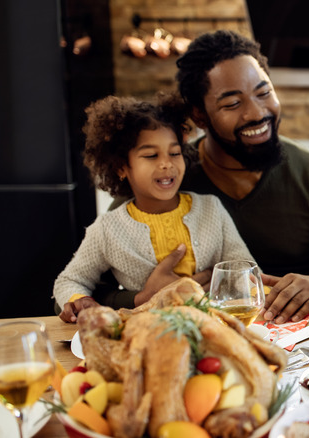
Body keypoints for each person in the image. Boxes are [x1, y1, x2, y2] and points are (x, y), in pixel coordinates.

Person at [97, 30, 309, 323]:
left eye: (264, 92)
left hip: (303, 351)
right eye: (232, 104)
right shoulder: (165, 177)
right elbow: (87, 291)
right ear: (199, 115)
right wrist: (143, 297)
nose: (256, 113)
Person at [54, 94, 253, 322]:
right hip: (147, 332)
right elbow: (69, 280)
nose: (166, 163)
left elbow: (244, 271)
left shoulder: (211, 209)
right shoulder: (107, 230)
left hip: (213, 324)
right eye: (151, 155)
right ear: (121, 167)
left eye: (175, 153)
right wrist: (80, 299)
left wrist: (222, 287)